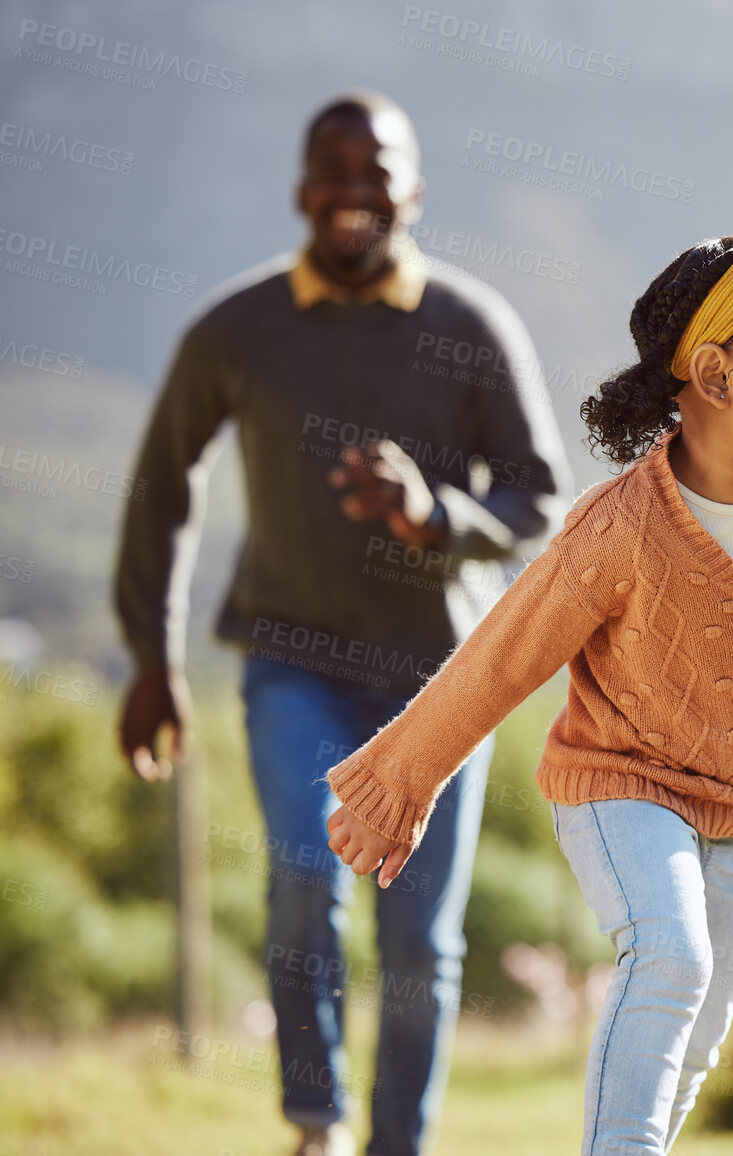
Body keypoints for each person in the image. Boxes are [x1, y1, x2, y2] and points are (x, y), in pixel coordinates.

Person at [321, 226, 733, 1155]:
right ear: (715, 373)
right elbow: (504, 656)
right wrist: (404, 780)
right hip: (623, 784)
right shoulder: (618, 532)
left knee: (695, 1040)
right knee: (671, 955)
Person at [114, 91, 573, 1156]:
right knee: (306, 873)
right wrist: (151, 653)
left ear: (414, 191)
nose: (356, 192)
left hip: (442, 681)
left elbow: (539, 497)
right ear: (301, 189)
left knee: (419, 939)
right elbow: (161, 484)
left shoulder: (470, 326)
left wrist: (433, 515)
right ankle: (315, 1126)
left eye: (380, 173)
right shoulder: (240, 327)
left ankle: (396, 1145)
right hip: (293, 662)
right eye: (335, 171)